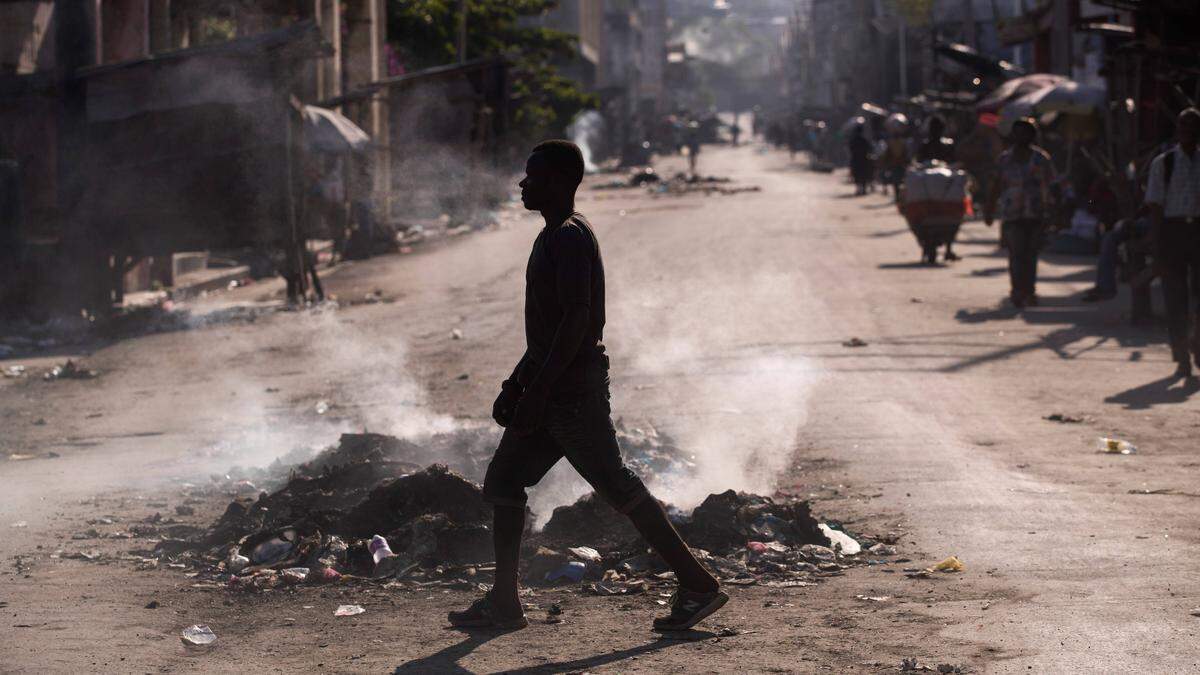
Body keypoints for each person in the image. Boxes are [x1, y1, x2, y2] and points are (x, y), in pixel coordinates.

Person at [448, 140, 727, 631]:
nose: (522, 184)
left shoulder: (570, 237)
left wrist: (535, 391)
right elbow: (548, 330)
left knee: (616, 485)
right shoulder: (551, 236)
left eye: (531, 177)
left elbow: (578, 321)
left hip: (571, 395)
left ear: (557, 182)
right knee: (505, 482)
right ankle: (504, 602)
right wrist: (518, 383)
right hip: (553, 388)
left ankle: (698, 584)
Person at [1145, 108, 1200, 378]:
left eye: (1194, 127)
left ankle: (1197, 347)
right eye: (1184, 127)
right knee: (1175, 298)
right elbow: (1155, 206)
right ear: (1177, 130)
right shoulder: (1164, 163)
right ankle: (1181, 356)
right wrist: (1157, 246)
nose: (1189, 132)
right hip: (1173, 233)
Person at [985, 118, 1054, 308]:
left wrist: (1052, 212)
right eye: (1017, 132)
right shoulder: (1004, 159)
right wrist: (989, 210)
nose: (1020, 136)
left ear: (1032, 136)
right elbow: (996, 186)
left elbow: (1050, 186)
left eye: (1025, 132)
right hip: (1011, 214)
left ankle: (1029, 291)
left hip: (1035, 214)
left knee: (1030, 255)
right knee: (1016, 254)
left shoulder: (1041, 159)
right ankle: (1017, 291)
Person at [916, 115, 961, 261]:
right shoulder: (942, 145)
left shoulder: (930, 145)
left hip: (939, 188)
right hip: (941, 189)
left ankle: (946, 248)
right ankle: (948, 249)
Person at [848, 125, 872, 196]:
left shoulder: (853, 140)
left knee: (856, 174)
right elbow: (869, 149)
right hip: (864, 159)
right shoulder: (864, 140)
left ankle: (858, 188)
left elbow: (850, 149)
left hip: (856, 159)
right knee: (864, 174)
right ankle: (863, 189)